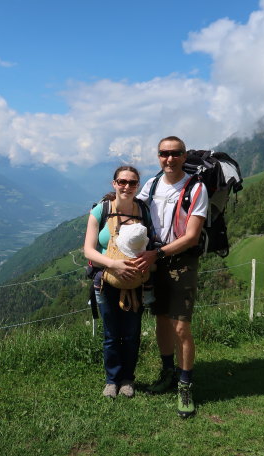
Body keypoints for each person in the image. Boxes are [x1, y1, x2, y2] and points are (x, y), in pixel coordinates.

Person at [133, 136, 208, 418]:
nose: (169, 158)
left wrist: (157, 254)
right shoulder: (151, 186)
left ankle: (185, 384)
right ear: (158, 156)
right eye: (164, 153)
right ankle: (168, 372)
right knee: (162, 320)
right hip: (155, 261)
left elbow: (191, 236)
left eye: (175, 153)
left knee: (181, 327)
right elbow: (134, 211)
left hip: (180, 262)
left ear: (184, 155)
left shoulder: (195, 187)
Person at [83, 166, 152, 399]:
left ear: (138, 186)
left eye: (132, 183)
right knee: (112, 334)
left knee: (132, 333)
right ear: (114, 183)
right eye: (122, 181)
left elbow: (150, 245)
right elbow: (88, 251)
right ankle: (112, 380)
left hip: (135, 282)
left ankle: (127, 379)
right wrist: (114, 265)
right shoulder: (100, 211)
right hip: (106, 281)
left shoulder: (143, 211)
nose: (126, 187)